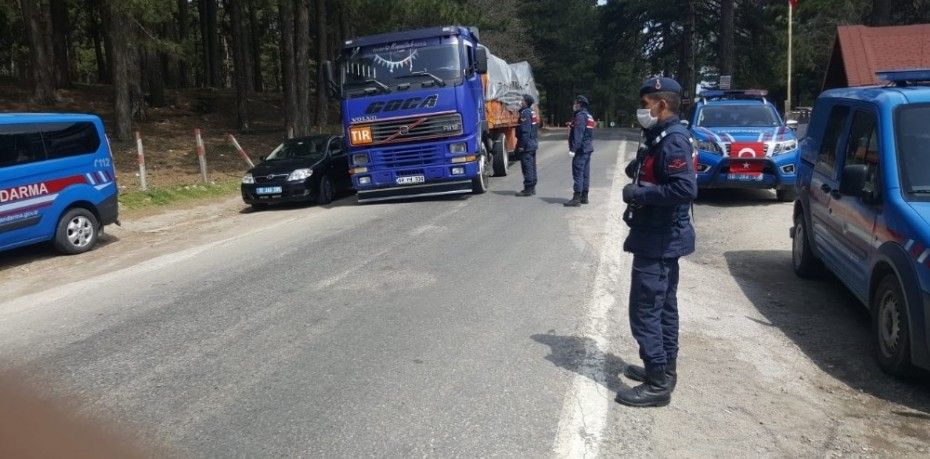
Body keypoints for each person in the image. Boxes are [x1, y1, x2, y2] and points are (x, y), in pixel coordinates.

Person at [616, 76, 697, 408]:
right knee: (663, 306)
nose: (642, 109)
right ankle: (664, 367)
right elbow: (659, 171)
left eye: (646, 103)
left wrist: (640, 193)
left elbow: (684, 189)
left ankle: (657, 383)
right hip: (657, 235)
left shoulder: (673, 141)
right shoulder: (659, 136)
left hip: (660, 238)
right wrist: (639, 170)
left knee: (645, 309)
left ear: (662, 104)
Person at [565, 95, 595, 207]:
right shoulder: (588, 116)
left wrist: (573, 149)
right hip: (587, 148)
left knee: (578, 174)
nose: (574, 105)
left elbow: (578, 134)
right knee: (585, 174)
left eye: (575, 103)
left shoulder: (580, 116)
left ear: (580, 104)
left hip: (581, 150)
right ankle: (584, 197)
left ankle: (576, 198)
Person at [516, 94, 539, 197]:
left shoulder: (525, 114)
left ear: (526, 102)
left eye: (522, 100)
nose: (521, 102)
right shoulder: (531, 112)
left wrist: (522, 145)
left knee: (527, 167)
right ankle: (532, 187)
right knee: (532, 166)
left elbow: (525, 131)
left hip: (527, 145)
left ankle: (528, 188)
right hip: (532, 143)